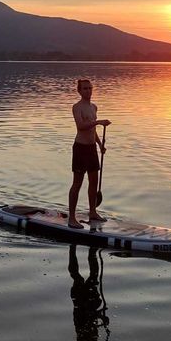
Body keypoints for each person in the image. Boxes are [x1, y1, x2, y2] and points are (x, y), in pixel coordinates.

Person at [68, 78, 111, 229]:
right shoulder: (77, 107)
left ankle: (92, 212)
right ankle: (72, 218)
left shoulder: (94, 107)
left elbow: (93, 130)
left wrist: (100, 145)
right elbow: (81, 126)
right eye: (85, 89)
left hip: (92, 148)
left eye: (90, 88)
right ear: (79, 91)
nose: (88, 91)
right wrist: (98, 122)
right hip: (80, 148)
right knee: (77, 184)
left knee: (93, 182)